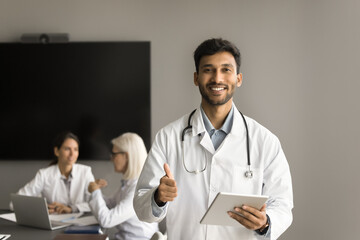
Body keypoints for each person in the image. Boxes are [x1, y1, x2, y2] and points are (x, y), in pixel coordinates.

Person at [133, 38, 293, 239]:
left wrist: (265, 223)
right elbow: (141, 207)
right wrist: (158, 198)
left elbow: (283, 205)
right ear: (196, 78)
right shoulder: (168, 137)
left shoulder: (264, 141)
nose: (217, 78)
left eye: (226, 70)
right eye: (208, 70)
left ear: (239, 78)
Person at [88, 133, 159, 240]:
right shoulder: (129, 183)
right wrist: (95, 190)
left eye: (114, 154)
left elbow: (106, 220)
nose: (111, 159)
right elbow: (112, 203)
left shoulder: (138, 188)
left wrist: (95, 192)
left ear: (126, 156)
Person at [11, 131, 95, 213]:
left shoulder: (85, 172)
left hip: (80, 222)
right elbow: (14, 203)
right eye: (67, 149)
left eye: (75, 149)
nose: (72, 154)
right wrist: (44, 208)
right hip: (54, 222)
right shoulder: (44, 174)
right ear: (57, 151)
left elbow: (95, 203)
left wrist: (71, 208)